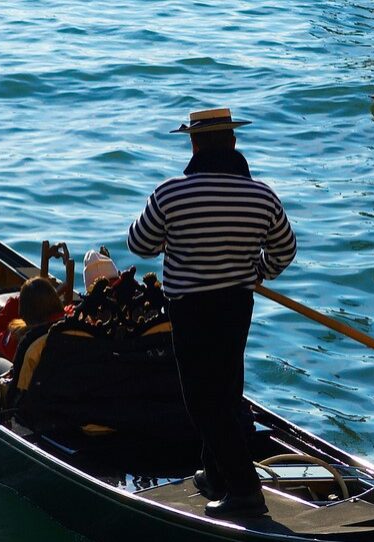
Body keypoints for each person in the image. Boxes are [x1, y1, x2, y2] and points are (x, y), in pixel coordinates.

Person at [127, 107, 296, 518]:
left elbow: (140, 244)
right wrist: (256, 271)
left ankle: (244, 490)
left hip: (191, 307)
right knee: (225, 391)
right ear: (233, 143)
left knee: (203, 401)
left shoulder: (171, 193)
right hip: (237, 305)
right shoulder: (262, 195)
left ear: (194, 143)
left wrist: (178, 238)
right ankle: (215, 475)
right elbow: (284, 251)